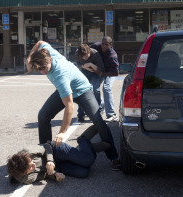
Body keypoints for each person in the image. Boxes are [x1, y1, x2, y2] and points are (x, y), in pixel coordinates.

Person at [26, 40, 120, 170]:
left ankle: (114, 157)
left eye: (44, 68)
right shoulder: (47, 52)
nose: (43, 72)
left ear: (50, 60)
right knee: (43, 116)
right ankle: (47, 154)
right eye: (39, 69)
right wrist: (30, 57)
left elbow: (69, 106)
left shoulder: (60, 75)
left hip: (82, 90)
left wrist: (62, 132)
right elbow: (39, 42)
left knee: (97, 119)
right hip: (64, 90)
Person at [7, 126, 110, 184]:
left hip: (55, 150)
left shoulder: (27, 151)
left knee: (88, 160)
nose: (33, 165)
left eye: (31, 162)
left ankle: (83, 140)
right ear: (24, 173)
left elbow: (47, 146)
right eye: (30, 167)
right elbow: (44, 175)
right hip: (59, 166)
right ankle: (89, 147)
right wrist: (55, 174)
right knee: (84, 172)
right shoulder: (25, 179)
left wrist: (50, 161)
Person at [90, 36, 119, 122]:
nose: (103, 46)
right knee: (94, 87)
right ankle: (100, 105)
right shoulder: (95, 46)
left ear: (110, 45)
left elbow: (115, 73)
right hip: (100, 70)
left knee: (106, 87)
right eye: (103, 44)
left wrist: (102, 74)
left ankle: (112, 114)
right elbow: (86, 50)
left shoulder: (113, 55)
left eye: (106, 44)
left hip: (109, 72)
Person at [74, 44, 105, 123]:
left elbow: (101, 69)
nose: (85, 58)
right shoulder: (77, 53)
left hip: (96, 72)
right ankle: (81, 114)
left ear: (89, 51)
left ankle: (98, 112)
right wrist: (84, 66)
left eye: (86, 55)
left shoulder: (95, 53)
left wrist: (91, 65)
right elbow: (78, 64)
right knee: (81, 90)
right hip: (85, 71)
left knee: (95, 89)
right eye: (83, 57)